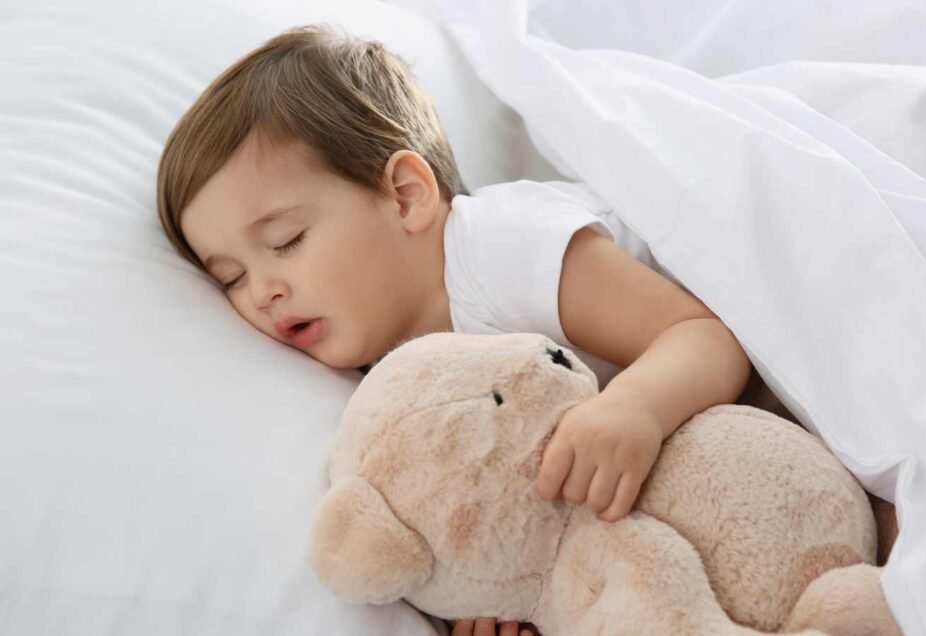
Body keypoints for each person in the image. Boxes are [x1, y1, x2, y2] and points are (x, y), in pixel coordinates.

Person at [156, 24, 754, 636]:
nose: (262, 292)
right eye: (230, 277)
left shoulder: (503, 246)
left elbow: (703, 334)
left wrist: (637, 407)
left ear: (406, 195)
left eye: (287, 241)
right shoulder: (376, 380)